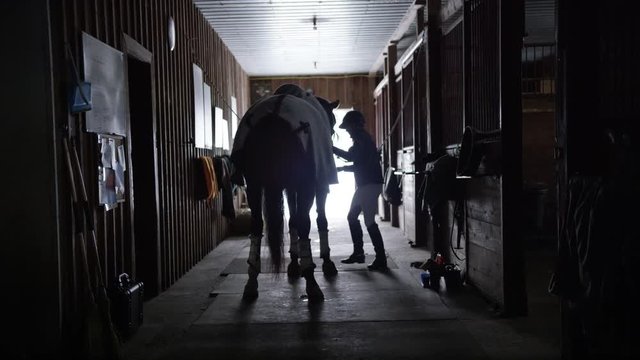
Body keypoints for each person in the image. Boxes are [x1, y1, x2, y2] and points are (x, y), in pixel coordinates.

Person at [332, 110, 388, 271]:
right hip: (366, 184)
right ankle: (358, 253)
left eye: (348, 128)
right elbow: (359, 163)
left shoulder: (362, 139)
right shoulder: (361, 140)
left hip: (369, 185)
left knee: (369, 221)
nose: (348, 132)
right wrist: (343, 168)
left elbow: (352, 158)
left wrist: (331, 148)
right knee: (352, 217)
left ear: (355, 126)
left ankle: (381, 258)